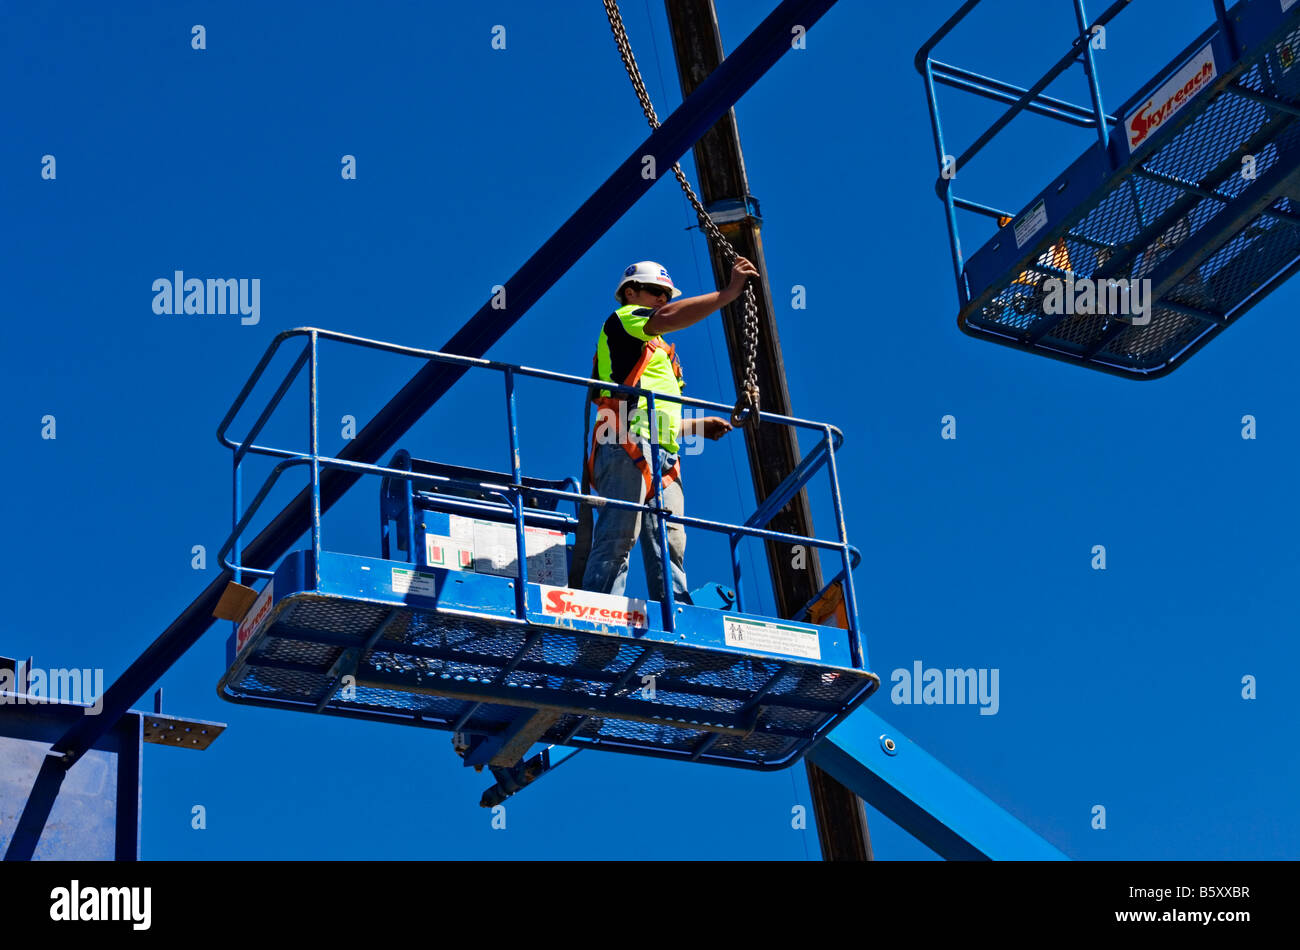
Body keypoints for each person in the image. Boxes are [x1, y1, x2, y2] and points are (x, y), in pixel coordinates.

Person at [582, 257, 757, 603]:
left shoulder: (661, 351)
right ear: (630, 293)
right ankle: (599, 611)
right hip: (625, 444)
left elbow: (657, 412)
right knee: (619, 535)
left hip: (664, 456)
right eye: (656, 291)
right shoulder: (625, 320)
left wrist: (696, 427)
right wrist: (727, 294)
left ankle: (675, 613)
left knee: (671, 543)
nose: (663, 298)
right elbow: (667, 317)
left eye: (667, 293)